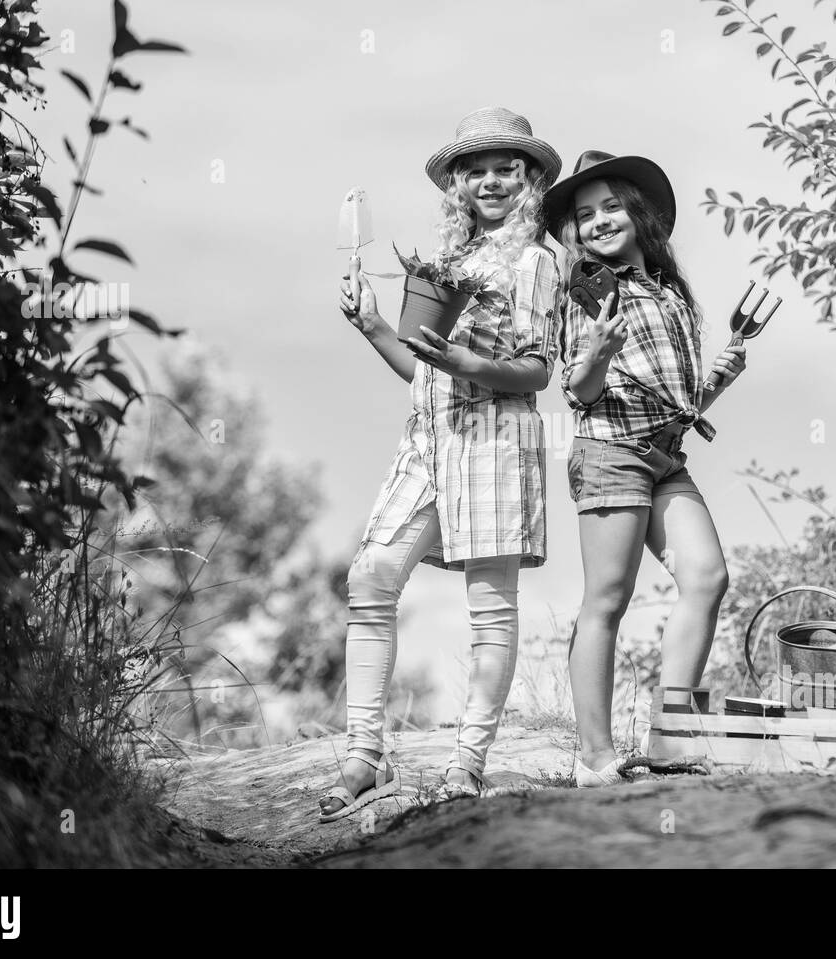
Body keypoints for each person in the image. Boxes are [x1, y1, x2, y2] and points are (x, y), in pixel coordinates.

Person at [320, 108, 562, 822]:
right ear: (457, 184)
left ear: (530, 179)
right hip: (427, 439)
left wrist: (466, 361)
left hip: (493, 437)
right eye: (475, 169)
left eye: (505, 168)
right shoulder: (446, 265)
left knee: (489, 607)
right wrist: (369, 323)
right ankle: (365, 756)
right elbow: (421, 370)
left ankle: (467, 763)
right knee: (371, 576)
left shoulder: (535, 261)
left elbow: (537, 372)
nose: (490, 180)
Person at [546, 150, 746, 787]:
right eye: (585, 214)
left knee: (707, 577)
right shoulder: (586, 292)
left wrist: (718, 381)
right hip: (612, 453)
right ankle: (595, 755)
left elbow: (675, 401)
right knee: (608, 599)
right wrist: (597, 356)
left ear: (640, 215)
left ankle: (670, 734)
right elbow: (579, 391)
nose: (599, 220)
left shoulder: (670, 294)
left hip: (664, 456)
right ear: (574, 232)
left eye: (611, 207)